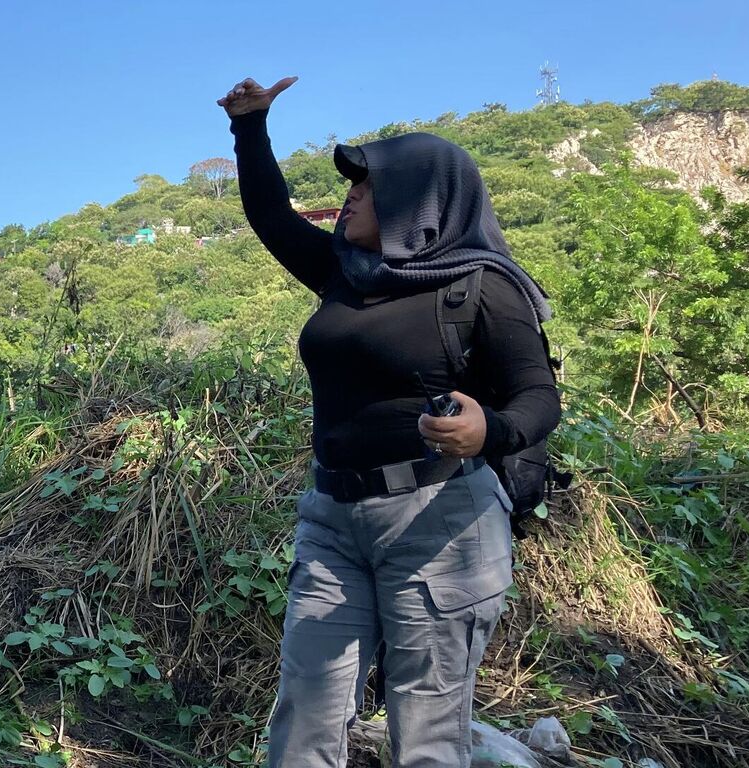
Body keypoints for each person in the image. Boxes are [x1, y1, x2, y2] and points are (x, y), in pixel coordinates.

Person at [221, 77, 560, 767]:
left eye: (365, 188)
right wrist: (250, 128)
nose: (349, 198)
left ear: (419, 199)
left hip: (441, 519)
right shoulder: (345, 272)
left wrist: (486, 432)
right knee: (304, 713)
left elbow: (537, 396)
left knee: (427, 734)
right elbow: (272, 219)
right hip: (333, 517)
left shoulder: (482, 284)